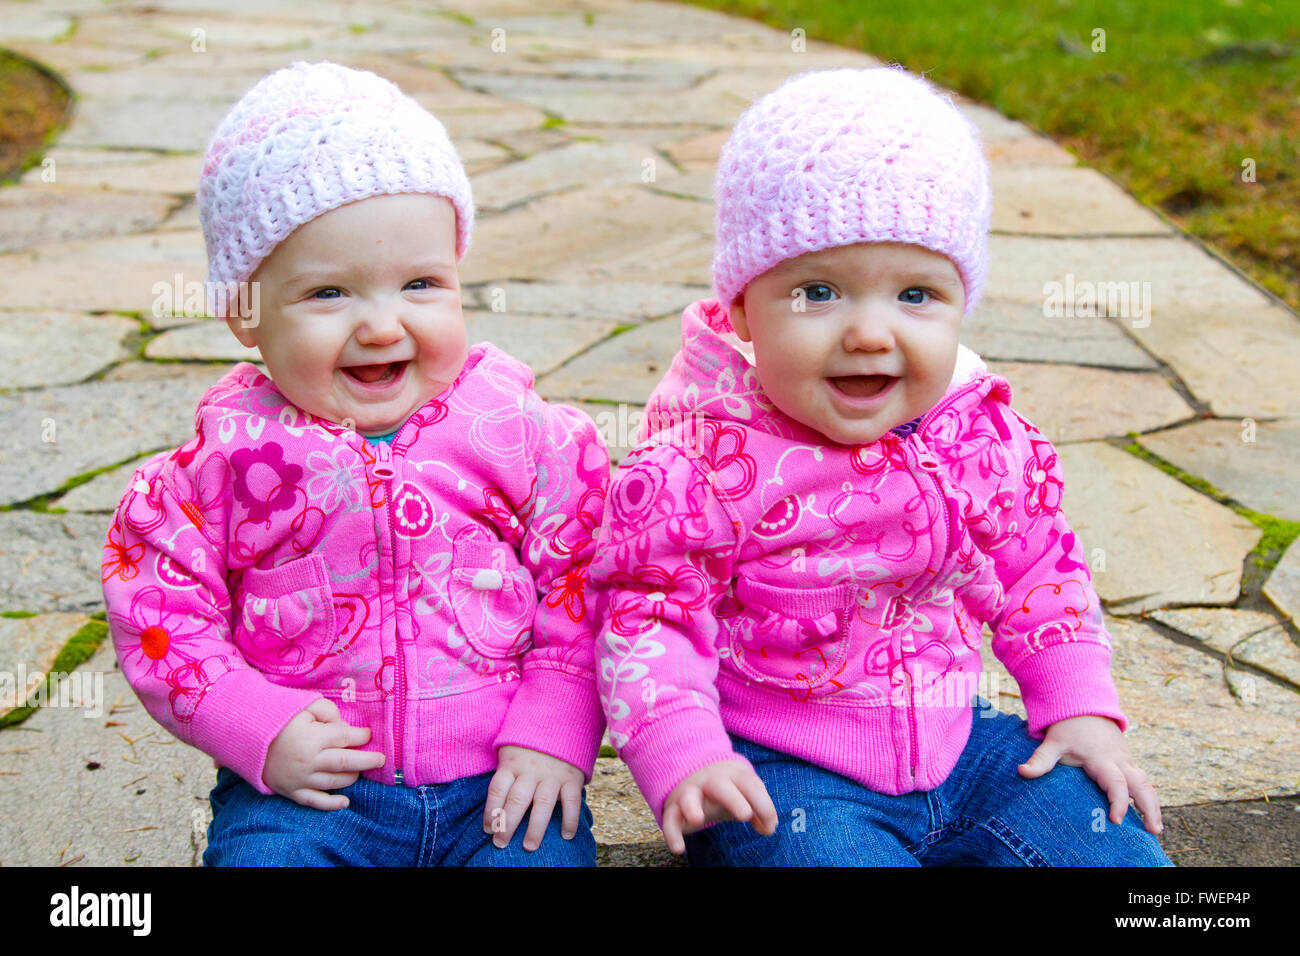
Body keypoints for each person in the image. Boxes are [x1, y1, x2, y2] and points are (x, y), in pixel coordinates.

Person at [589, 67, 1171, 866]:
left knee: (1112, 849)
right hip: (783, 771)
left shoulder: (975, 436)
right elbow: (648, 613)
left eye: (917, 295)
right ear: (741, 312)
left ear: (961, 301)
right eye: (819, 292)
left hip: (967, 751)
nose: (870, 332)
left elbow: (1040, 568)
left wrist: (1079, 709)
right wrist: (685, 752)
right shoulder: (703, 464)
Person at [100, 61, 609, 866]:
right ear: (245, 313)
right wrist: (253, 725)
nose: (381, 325)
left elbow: (584, 581)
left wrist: (555, 726)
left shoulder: (523, 435)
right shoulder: (220, 469)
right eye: (330, 293)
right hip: (313, 796)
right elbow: (162, 614)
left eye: (420, 283)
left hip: (502, 787)